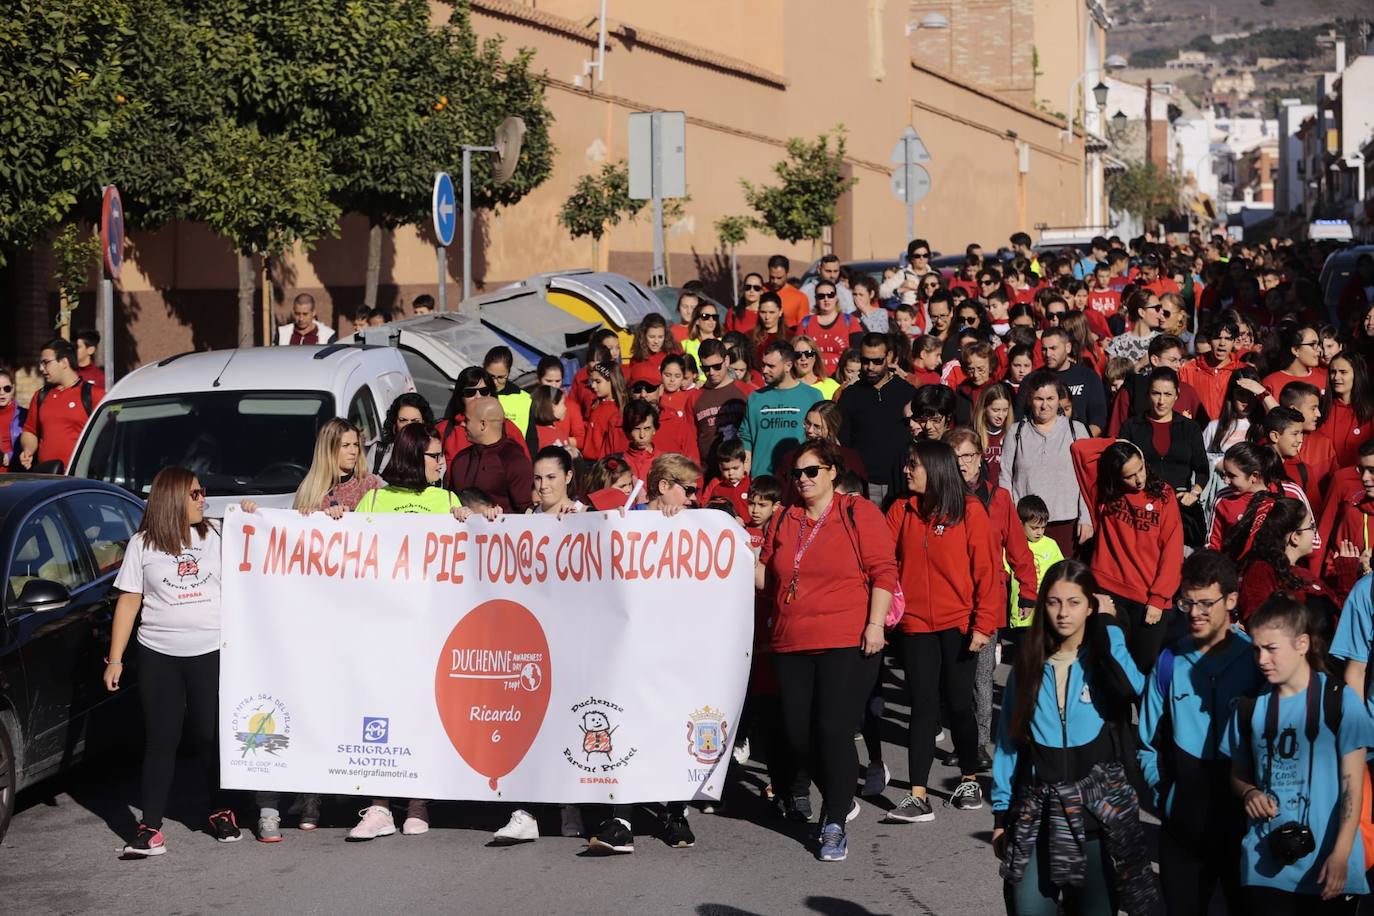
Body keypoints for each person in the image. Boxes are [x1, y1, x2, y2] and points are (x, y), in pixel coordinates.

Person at [756, 439, 895, 862]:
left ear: (833, 471)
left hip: (845, 638)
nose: (803, 479)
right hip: (790, 639)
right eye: (796, 473)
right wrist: (726, 550)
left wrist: (875, 624)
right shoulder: (783, 519)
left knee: (832, 729)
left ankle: (833, 820)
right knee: (798, 737)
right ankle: (840, 794)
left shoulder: (858, 512)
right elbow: (767, 576)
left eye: (811, 471)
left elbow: (884, 571)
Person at [992, 560, 1156, 916]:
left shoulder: (1103, 661)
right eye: (1053, 602)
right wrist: (1000, 816)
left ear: (1090, 607)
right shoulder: (1028, 666)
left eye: (1074, 602)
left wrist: (1109, 625)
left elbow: (1136, 690)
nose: (1063, 613)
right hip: (1037, 815)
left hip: (1096, 819)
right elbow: (1007, 744)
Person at [350, 425, 488, 842]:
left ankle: (418, 802)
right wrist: (333, 521)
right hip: (385, 628)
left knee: (424, 713)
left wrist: (472, 521)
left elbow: (476, 553)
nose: (442, 461)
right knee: (382, 713)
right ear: (412, 457)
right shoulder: (374, 499)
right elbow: (345, 553)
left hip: (433, 629)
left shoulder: (447, 500)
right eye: (433, 456)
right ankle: (379, 807)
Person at [103, 467, 243, 855]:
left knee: (208, 736)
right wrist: (115, 659)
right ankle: (150, 828)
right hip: (158, 653)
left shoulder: (217, 534)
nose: (203, 499)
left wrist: (250, 512)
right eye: (196, 493)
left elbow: (256, 541)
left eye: (202, 493)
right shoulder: (142, 545)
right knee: (161, 740)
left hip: (211, 651)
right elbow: (129, 601)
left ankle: (221, 810)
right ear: (173, 499)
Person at [1222, 596, 1374, 913]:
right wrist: (1249, 792)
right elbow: (1237, 773)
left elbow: (1352, 786)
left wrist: (1341, 853)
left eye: (1271, 648)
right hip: (1265, 864)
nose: (1262, 659)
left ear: (1302, 643)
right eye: (1256, 649)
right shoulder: (1249, 707)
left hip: (1328, 863)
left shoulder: (1339, 700)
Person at [1138, 550, 1261, 916]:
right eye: (1186, 602)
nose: (1194, 613)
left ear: (1232, 600)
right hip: (1183, 823)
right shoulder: (1169, 661)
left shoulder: (1256, 661)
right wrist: (1165, 797)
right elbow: (1146, 741)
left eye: (1206, 603)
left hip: (1242, 821)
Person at [882, 440, 998, 822]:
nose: (906, 471)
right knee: (923, 705)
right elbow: (882, 558)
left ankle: (968, 778)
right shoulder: (901, 510)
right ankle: (917, 795)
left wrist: (983, 624)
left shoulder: (971, 512)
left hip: (960, 625)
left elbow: (988, 573)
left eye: (913, 464)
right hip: (914, 625)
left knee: (959, 703)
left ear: (934, 468)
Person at [946, 427, 1038, 764]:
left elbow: (1018, 549)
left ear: (980, 458)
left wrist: (1028, 593)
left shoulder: (998, 498)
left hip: (988, 599)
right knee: (955, 677)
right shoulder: (940, 497)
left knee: (982, 677)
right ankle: (962, 739)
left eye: (968, 456)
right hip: (950, 599)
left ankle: (978, 743)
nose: (962, 464)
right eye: (955, 458)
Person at [1071, 438, 1184, 674]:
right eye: (1129, 476)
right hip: (1108, 592)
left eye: (1140, 468)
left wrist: (1158, 598)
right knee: (1110, 668)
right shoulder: (1103, 491)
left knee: (1143, 671)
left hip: (1148, 597)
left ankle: (1143, 713)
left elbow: (1172, 550)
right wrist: (1118, 442)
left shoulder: (1163, 495)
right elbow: (1079, 449)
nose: (1139, 479)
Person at [999, 371, 1090, 559]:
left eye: (1050, 398)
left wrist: (1086, 518)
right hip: (1027, 523)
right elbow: (1005, 477)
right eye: (1039, 398)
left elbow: (1088, 479)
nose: (1044, 405)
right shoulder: (1016, 432)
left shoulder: (1076, 430)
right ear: (1030, 399)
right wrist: (1010, 518)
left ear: (1059, 400)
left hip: (1067, 524)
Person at [1118, 367, 1208, 546]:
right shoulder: (1131, 427)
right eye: (1156, 393)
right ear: (1147, 394)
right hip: (1141, 509)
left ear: (1177, 395)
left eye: (1167, 394)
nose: (1161, 401)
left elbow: (1202, 469)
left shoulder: (1190, 428)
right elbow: (1120, 467)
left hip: (1180, 509)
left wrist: (1194, 493)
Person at [835, 334, 916, 507]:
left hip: (901, 482)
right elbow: (844, 443)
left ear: (889, 357)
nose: (870, 367)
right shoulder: (849, 395)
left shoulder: (907, 392)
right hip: (863, 484)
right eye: (865, 361)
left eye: (877, 361)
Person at [1227, 496, 1333, 623]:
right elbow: (1259, 622)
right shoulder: (1261, 571)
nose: (1314, 533)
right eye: (1310, 526)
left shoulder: (1302, 572)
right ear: (1295, 537)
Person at [15, 337, 103, 473]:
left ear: (64, 362)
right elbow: (30, 431)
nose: (41, 368)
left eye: (46, 363)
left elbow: (108, 435)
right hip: (46, 477)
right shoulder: (40, 396)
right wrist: (28, 450)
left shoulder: (93, 395)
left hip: (81, 479)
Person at [446, 397, 535, 513]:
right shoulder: (460, 460)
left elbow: (528, 511)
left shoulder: (514, 459)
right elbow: (450, 502)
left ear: (483, 425)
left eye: (467, 420)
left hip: (504, 530)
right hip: (462, 530)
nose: (462, 424)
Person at [740, 341, 815, 478]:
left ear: (788, 366)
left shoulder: (813, 396)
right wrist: (745, 472)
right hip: (762, 481)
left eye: (771, 366)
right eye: (763, 365)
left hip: (798, 478)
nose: (764, 370)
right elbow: (746, 438)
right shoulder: (755, 398)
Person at [437, 366, 527, 462]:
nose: (478, 397)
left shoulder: (508, 429)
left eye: (484, 391)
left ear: (491, 394)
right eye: (469, 392)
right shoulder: (443, 430)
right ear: (460, 396)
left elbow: (524, 470)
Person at [1039, 327, 1107, 435]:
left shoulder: (1088, 377)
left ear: (1068, 347)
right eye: (1044, 349)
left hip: (1080, 443)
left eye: (1053, 348)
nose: (1047, 354)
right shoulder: (1034, 379)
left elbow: (1098, 419)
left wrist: (1080, 441)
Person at [1180, 317, 1241, 420]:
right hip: (1198, 432)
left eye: (1228, 339)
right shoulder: (1188, 370)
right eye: (1217, 338)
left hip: (1232, 433)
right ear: (1209, 340)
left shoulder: (1242, 370)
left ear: (1234, 341)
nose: (1222, 343)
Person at [1323, 352, 1374, 468]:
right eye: (1332, 372)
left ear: (1357, 374)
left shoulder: (1370, 411)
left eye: (1343, 372)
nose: (1336, 377)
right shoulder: (1321, 408)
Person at [799, 280, 859, 376]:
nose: (826, 299)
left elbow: (858, 354)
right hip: (814, 379)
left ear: (836, 297)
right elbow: (797, 353)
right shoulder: (806, 323)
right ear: (816, 299)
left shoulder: (850, 321)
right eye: (821, 296)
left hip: (842, 379)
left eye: (830, 295)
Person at [1263, 323, 1328, 401]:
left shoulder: (1324, 381)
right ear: (1295, 350)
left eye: (1318, 344)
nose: (1320, 350)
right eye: (1312, 344)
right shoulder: (1271, 383)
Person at [376, 392, 436, 474]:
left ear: (424, 423)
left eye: (415, 421)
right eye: (403, 420)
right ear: (394, 423)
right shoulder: (379, 452)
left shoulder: (434, 454)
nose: (409, 426)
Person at [581, 361, 629, 462]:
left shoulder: (619, 410)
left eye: (598, 381)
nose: (593, 386)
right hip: (588, 461)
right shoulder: (595, 405)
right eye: (592, 381)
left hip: (604, 463)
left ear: (612, 381)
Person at [1103, 288, 1163, 366]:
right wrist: (1140, 365)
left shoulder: (1163, 341)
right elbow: (1114, 377)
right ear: (1142, 312)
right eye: (1157, 308)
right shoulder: (1117, 344)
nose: (1161, 312)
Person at [483, 346, 532, 436]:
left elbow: (531, 438)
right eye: (491, 376)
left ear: (508, 373)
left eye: (501, 377)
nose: (494, 382)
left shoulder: (525, 399)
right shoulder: (471, 393)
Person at [526, 382, 583, 457]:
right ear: (552, 406)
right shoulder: (538, 436)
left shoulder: (557, 433)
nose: (565, 408)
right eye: (562, 403)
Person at [973, 382, 1013, 484]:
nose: (1001, 415)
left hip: (1004, 493)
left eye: (1005, 410)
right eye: (996, 410)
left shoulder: (1013, 434)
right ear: (985, 409)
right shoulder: (974, 435)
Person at [765, 254, 810, 329]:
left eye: (779, 278)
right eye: (772, 277)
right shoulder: (760, 290)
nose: (775, 281)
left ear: (787, 274)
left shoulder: (800, 297)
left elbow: (803, 328)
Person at [790, 335, 839, 400]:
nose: (803, 358)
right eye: (797, 355)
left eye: (808, 354)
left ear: (815, 357)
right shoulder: (785, 387)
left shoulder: (832, 386)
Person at [0, 366, 25, 471]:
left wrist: (9, 456)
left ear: (13, 388)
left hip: (16, 475)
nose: (2, 392)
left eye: (7, 388)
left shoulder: (24, 415)